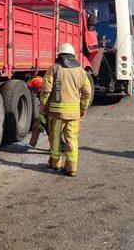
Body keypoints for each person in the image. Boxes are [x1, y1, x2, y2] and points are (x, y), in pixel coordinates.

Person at [39, 43, 92, 177]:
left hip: (56, 114)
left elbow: (46, 91)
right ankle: (71, 168)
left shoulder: (54, 68)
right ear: (73, 56)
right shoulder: (80, 71)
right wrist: (82, 109)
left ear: (59, 55)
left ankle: (56, 163)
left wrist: (43, 108)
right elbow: (87, 93)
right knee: (72, 140)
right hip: (74, 115)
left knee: (55, 138)